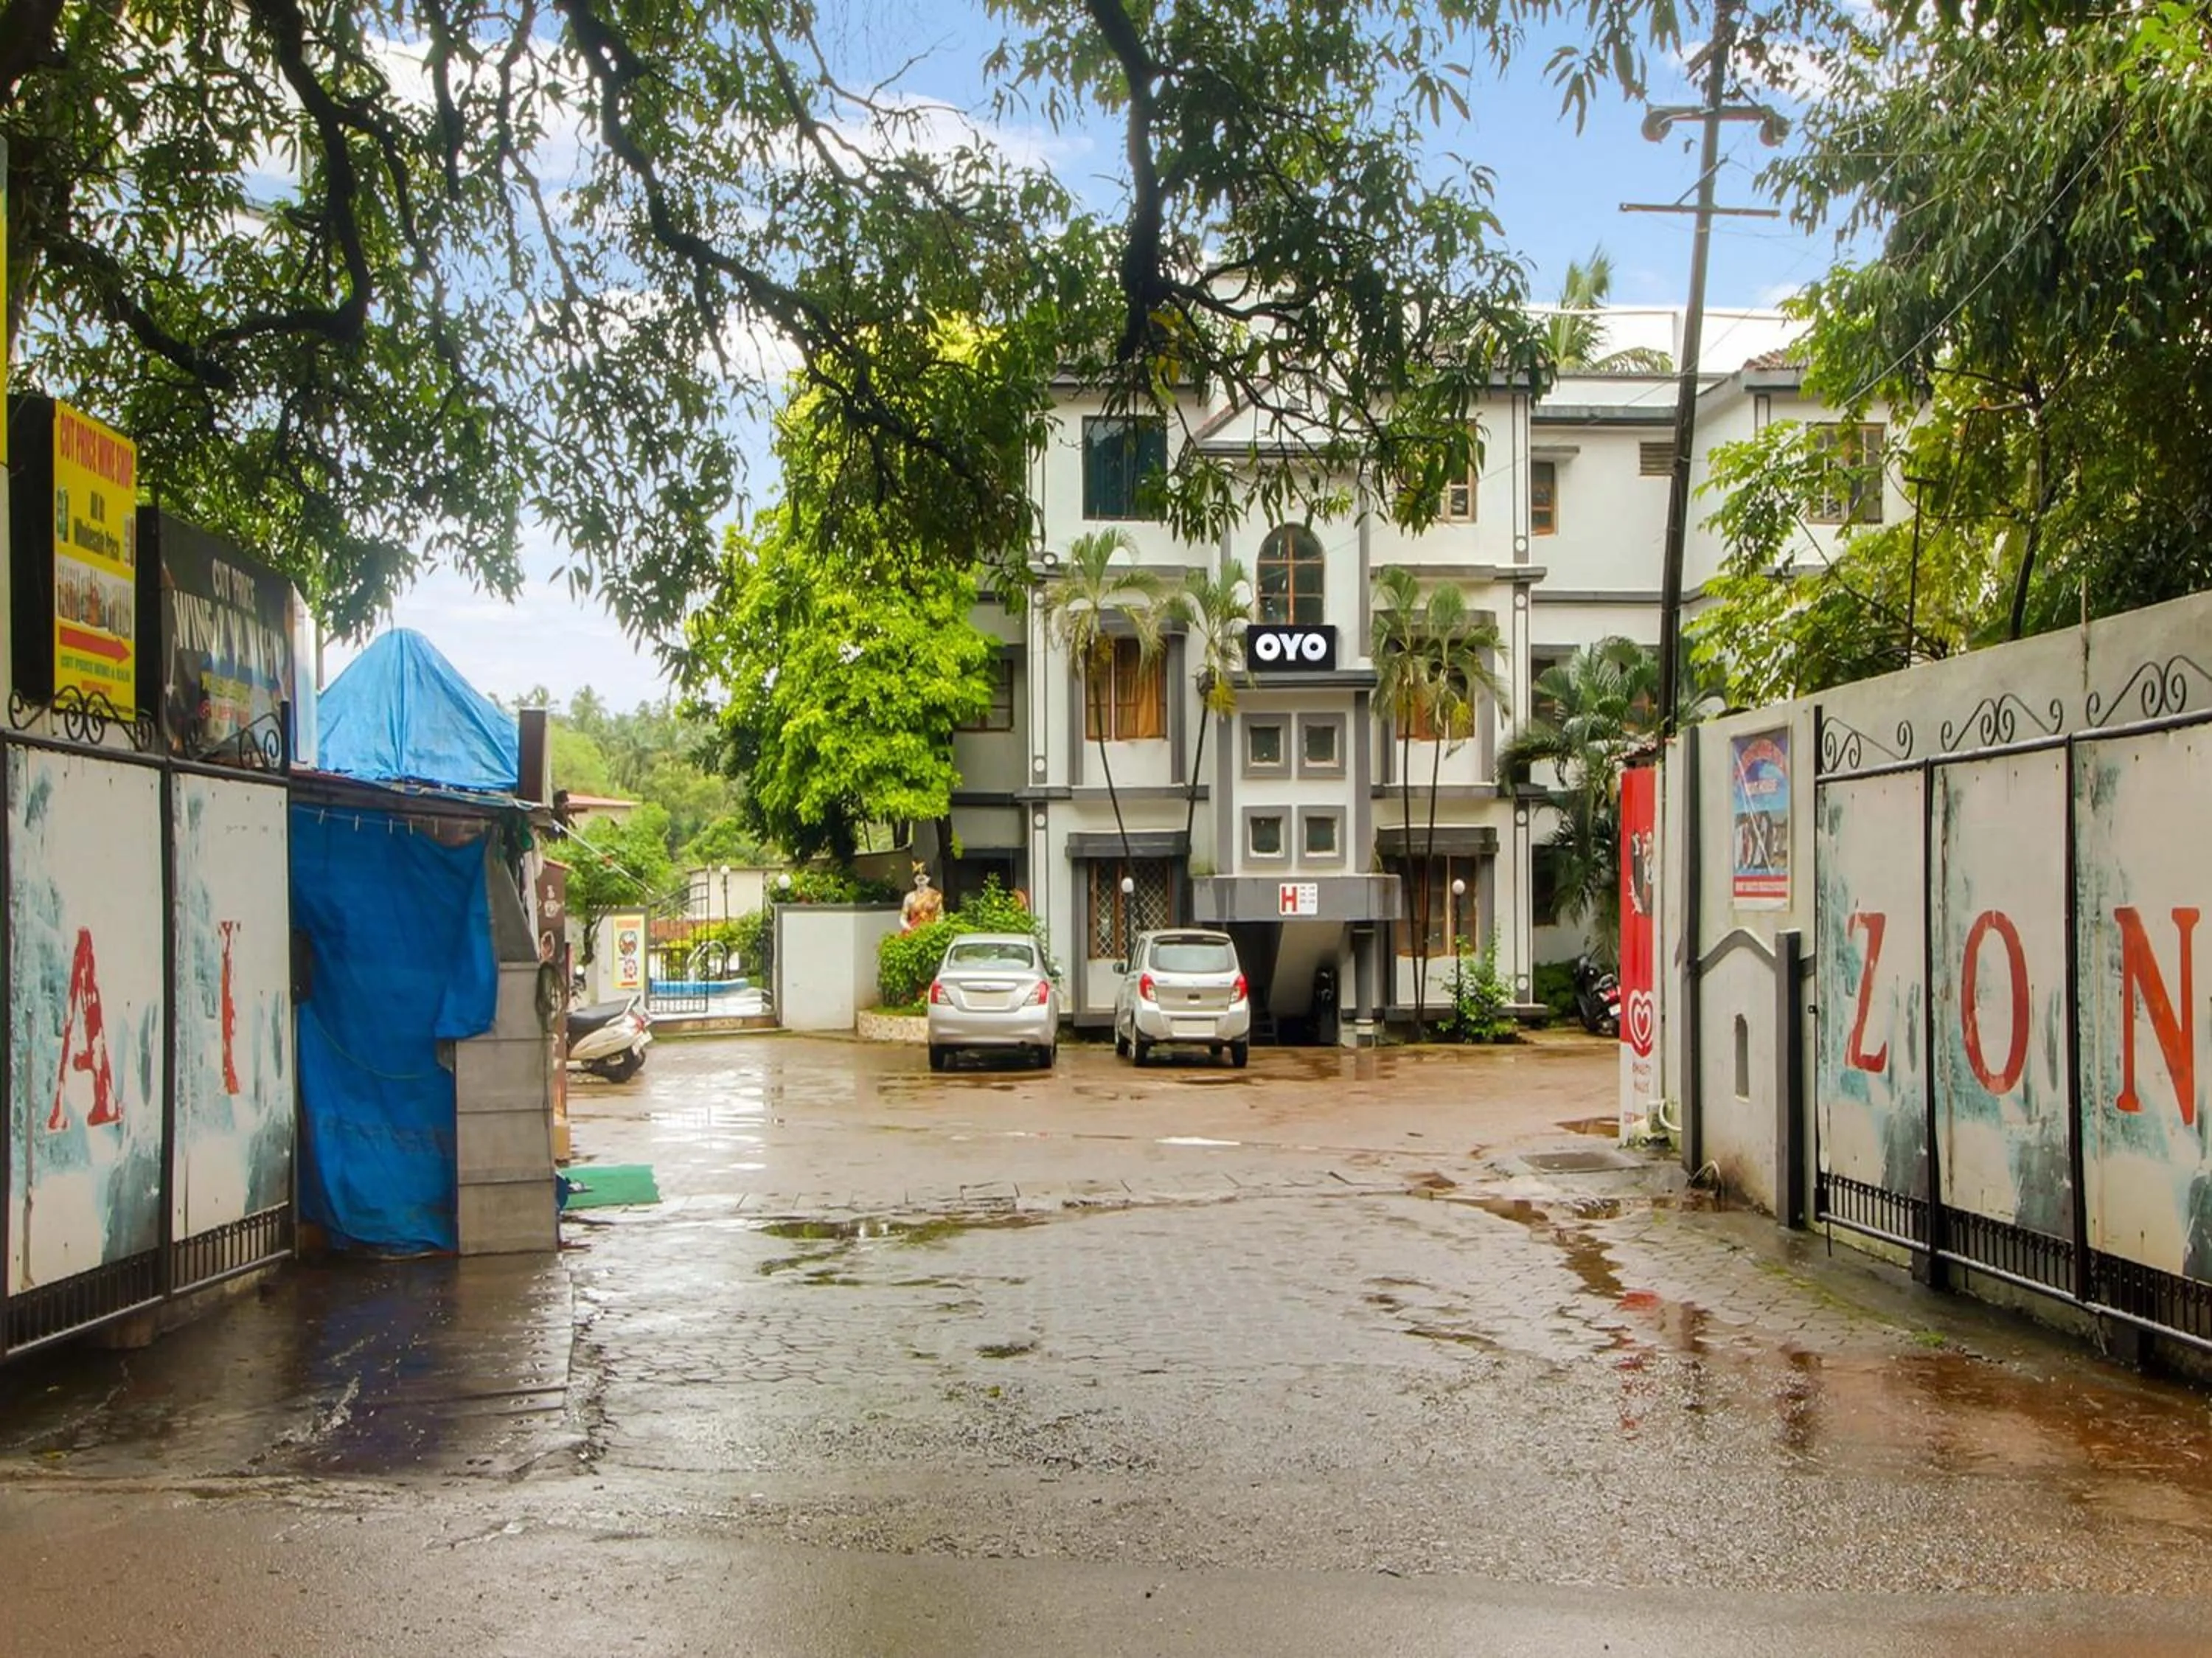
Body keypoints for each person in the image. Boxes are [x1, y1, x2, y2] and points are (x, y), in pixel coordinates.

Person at [900, 863, 944, 933]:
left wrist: (934, 930)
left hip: (931, 932)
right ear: (915, 880)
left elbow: (940, 916)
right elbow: (903, 918)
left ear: (929, 879)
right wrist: (909, 928)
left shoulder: (935, 895)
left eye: (923, 879)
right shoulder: (909, 897)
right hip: (913, 932)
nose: (921, 882)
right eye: (919, 880)